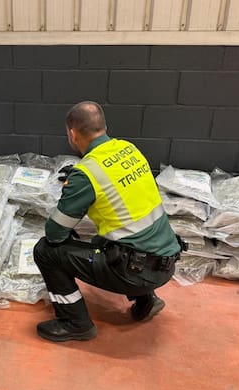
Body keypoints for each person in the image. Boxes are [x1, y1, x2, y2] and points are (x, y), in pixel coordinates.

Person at [33, 101, 183, 342]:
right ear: (104, 126)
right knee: (104, 239)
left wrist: (77, 186)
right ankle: (146, 301)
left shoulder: (86, 173)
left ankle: (75, 323)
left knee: (45, 251)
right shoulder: (128, 149)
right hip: (166, 263)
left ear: (72, 134)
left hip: (134, 273)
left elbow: (55, 233)